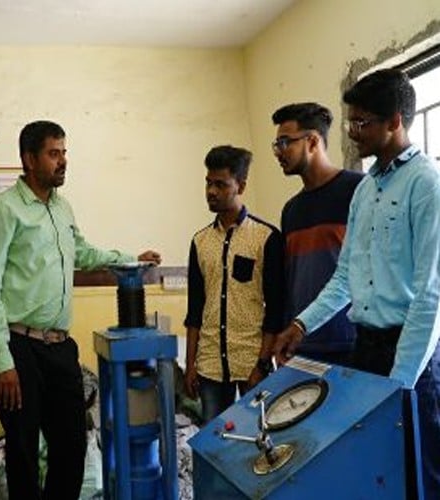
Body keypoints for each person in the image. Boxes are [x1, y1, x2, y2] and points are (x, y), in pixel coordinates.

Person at [273, 68, 440, 499]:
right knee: (376, 465)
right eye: (351, 122)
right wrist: (301, 325)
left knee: (421, 470)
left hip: (412, 356)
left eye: (363, 122)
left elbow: (430, 296)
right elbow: (345, 276)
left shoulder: (427, 185)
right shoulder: (365, 190)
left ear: (396, 122)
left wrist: (399, 382)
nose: (353, 133)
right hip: (365, 348)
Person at [0, 120, 161, 499]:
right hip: (19, 347)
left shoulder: (62, 209)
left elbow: (84, 252)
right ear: (29, 159)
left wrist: (129, 259)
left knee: (72, 446)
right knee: (24, 452)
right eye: (53, 153)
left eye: (64, 153)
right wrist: (2, 361)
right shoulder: (5, 210)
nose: (63, 162)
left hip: (60, 347)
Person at [183, 145, 284, 423]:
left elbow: (275, 311)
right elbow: (195, 309)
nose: (211, 191)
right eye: (208, 183)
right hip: (210, 366)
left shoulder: (266, 238)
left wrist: (262, 365)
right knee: (215, 442)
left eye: (220, 184)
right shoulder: (200, 242)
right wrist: (190, 365)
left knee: (258, 440)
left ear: (240, 185)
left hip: (251, 362)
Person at [272, 102, 363, 366]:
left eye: (285, 142)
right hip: (302, 342)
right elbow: (291, 281)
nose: (278, 152)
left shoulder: (358, 191)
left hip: (350, 341)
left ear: (312, 141)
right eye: (276, 144)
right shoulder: (291, 210)